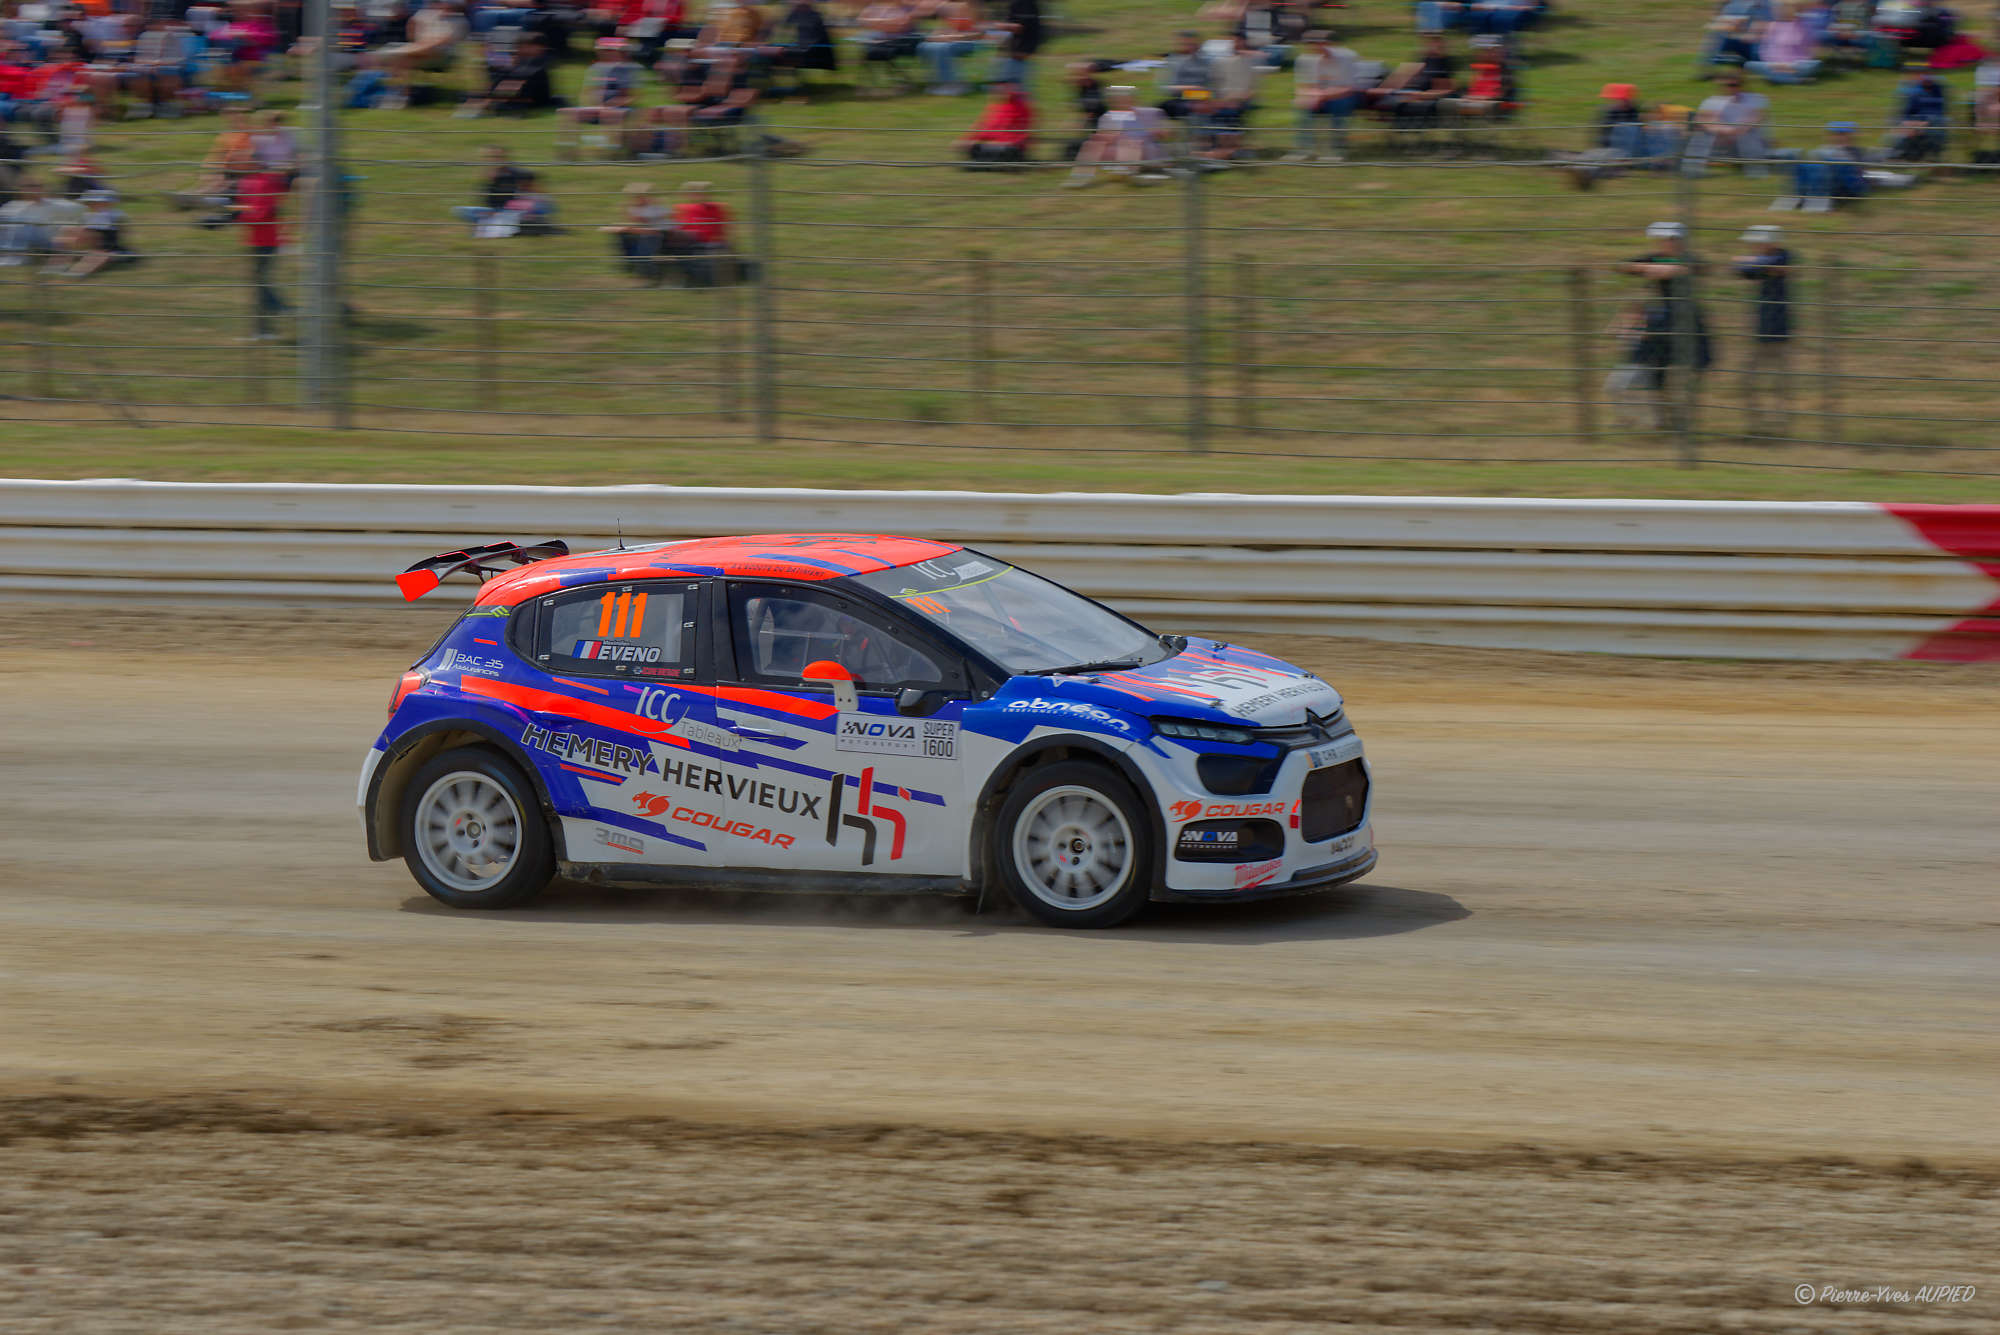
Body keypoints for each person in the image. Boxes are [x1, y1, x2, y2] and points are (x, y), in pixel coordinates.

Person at [1617, 221, 1712, 429]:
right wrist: (1652, 267)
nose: (1663, 243)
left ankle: (1684, 418)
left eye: (1668, 240)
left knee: (1692, 371)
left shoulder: (1689, 258)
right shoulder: (1654, 257)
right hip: (1662, 322)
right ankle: (1662, 419)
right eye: (1661, 240)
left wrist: (1671, 269)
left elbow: (1698, 268)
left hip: (1688, 321)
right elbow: (1624, 266)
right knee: (1657, 371)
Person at [1772, 119, 1915, 210]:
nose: (1841, 137)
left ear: (1852, 136)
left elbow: (1873, 160)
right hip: (1834, 185)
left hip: (1853, 182)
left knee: (1883, 176)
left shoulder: (1856, 151)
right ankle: (1800, 197)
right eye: (1837, 134)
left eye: (1845, 134)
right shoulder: (1822, 151)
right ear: (1831, 136)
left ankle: (1910, 180)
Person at [1732, 223, 1791, 432]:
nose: (1753, 248)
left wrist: (1750, 261)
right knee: (1749, 379)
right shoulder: (1768, 261)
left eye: (1757, 244)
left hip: (1779, 330)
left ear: (1770, 242)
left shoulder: (1785, 256)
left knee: (1779, 380)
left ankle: (1780, 424)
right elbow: (1739, 269)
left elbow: (1759, 265)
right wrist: (1753, 263)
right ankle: (1755, 424)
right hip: (1759, 330)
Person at [1064, 84, 1170, 186]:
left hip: (1145, 150)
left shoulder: (1150, 113)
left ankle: (1131, 175)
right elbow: (1104, 136)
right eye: (1117, 100)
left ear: (1132, 99)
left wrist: (1159, 132)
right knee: (1092, 144)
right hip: (1119, 151)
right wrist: (1103, 137)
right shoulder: (1108, 117)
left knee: (1130, 143)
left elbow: (1166, 132)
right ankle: (1079, 178)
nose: (1120, 103)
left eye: (1124, 99)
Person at [558, 35, 643, 156]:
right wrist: (588, 106)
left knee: (610, 114)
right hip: (598, 108)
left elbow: (632, 96)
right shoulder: (596, 68)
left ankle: (613, 152)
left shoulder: (629, 69)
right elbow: (586, 92)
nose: (605, 53)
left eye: (609, 50)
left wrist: (610, 106)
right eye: (602, 50)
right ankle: (567, 151)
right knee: (568, 112)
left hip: (621, 109)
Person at [371, 0, 466, 108]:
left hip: (442, 56)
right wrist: (415, 42)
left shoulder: (459, 21)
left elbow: (440, 42)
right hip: (419, 52)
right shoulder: (428, 14)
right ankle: (400, 95)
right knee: (401, 58)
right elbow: (412, 22)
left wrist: (412, 48)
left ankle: (398, 95)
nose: (443, 4)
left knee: (398, 56)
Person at [1285, 29, 1361, 161]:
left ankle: (1337, 151)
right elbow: (1302, 87)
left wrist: (1321, 96)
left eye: (1321, 43)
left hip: (1343, 96)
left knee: (1339, 105)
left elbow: (1349, 89)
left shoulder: (1347, 58)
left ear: (1331, 44)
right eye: (1312, 44)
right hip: (1318, 96)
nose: (1317, 47)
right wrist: (1308, 97)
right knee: (1303, 107)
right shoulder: (1304, 60)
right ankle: (1303, 150)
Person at [1686, 70, 1771, 174]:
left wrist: (1735, 132)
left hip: (1750, 142)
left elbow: (1756, 118)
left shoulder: (1755, 99)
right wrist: (1725, 131)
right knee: (1702, 135)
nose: (1731, 88)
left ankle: (1757, 173)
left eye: (1735, 85)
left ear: (1742, 85)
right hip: (1723, 142)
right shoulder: (1713, 101)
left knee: (1748, 135)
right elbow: (1702, 120)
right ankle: (1692, 172)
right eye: (1728, 85)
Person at [238, 169, 287, 340]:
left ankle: (279, 307)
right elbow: (245, 206)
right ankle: (263, 330)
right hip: (256, 240)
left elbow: (262, 214)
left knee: (260, 282)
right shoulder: (247, 180)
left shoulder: (267, 181)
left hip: (268, 241)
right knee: (259, 284)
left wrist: (238, 216)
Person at [0, 175, 84, 268]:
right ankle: (11, 255)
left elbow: (80, 209)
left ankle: (17, 258)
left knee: (29, 226)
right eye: (29, 186)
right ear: (21, 190)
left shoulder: (53, 204)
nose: (34, 189)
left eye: (37, 186)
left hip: (47, 243)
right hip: (17, 243)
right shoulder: (12, 207)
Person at [602, 179, 669, 283]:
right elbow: (636, 223)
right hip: (644, 234)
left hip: (659, 235)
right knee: (623, 237)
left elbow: (652, 229)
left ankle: (650, 276)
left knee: (642, 244)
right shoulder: (634, 208)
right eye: (633, 197)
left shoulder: (656, 208)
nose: (634, 199)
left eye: (637, 196)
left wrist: (629, 227)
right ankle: (630, 264)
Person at [670, 178, 733, 284]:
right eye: (696, 192)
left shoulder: (717, 208)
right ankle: (694, 278)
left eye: (703, 192)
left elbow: (725, 229)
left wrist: (720, 239)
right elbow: (677, 227)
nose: (700, 195)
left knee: (707, 254)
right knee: (679, 247)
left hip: (711, 243)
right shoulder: (683, 208)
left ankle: (701, 279)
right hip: (691, 243)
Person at [957, 78, 1031, 167]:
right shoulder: (995, 106)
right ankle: (986, 163)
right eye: (997, 89)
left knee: (1006, 151)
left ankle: (984, 163)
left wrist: (999, 142)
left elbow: (1020, 134)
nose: (998, 92)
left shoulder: (1020, 107)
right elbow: (985, 128)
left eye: (1003, 89)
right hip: (997, 146)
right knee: (974, 148)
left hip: (1012, 147)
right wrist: (968, 140)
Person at [917, 0, 982, 95]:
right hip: (951, 39)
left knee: (943, 48)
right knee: (923, 46)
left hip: (970, 41)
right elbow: (941, 29)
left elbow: (979, 33)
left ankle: (952, 84)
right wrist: (937, 36)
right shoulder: (946, 6)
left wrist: (956, 37)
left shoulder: (972, 6)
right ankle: (936, 81)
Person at [1746, 2, 1821, 81]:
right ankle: (1796, 80)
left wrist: (1792, 64)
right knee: (1749, 64)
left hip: (1796, 65)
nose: (1785, 11)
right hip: (1775, 64)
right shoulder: (1773, 26)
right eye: (1782, 9)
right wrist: (1776, 63)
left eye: (1789, 8)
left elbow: (1811, 50)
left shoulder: (1805, 26)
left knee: (1814, 64)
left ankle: (1779, 77)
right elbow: (1765, 50)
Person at [1887, 71, 1948, 160]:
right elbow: (1907, 112)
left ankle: (1926, 155)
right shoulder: (1915, 92)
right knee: (1901, 128)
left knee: (1936, 123)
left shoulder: (1937, 92)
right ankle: (1899, 153)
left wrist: (1923, 123)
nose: (1926, 82)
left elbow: (1939, 112)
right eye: (1924, 79)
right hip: (1915, 122)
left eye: (1929, 80)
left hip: (1931, 122)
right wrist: (1908, 123)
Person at [1698, 0, 1772, 72]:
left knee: (1722, 38)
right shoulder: (1735, 3)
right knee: (1718, 36)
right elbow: (1728, 21)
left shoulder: (1763, 3)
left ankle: (1715, 62)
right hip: (1741, 40)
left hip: (1756, 46)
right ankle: (1708, 65)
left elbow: (1761, 26)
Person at [1156, 30, 1214, 121]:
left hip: (1205, 96)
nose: (1190, 47)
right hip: (1182, 97)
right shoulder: (1174, 60)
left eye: (1192, 44)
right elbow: (1166, 88)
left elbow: (1213, 85)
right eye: (1186, 44)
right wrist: (1192, 88)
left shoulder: (1208, 61)